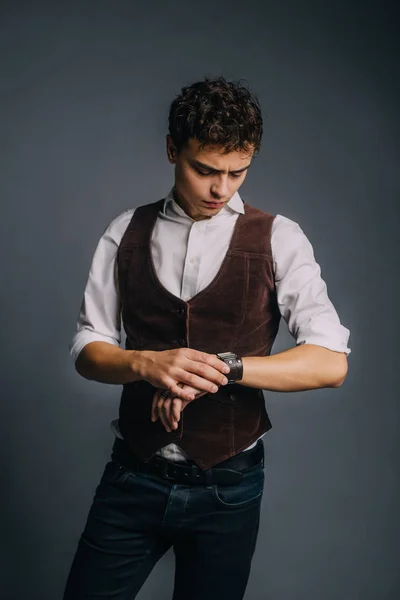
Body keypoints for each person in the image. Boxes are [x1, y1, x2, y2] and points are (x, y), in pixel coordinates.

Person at [63, 76, 351, 600]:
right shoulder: (124, 231)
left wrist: (223, 367)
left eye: (237, 173)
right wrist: (147, 364)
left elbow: (331, 362)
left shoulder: (278, 238)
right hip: (133, 477)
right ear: (173, 150)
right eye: (205, 170)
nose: (221, 189)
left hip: (230, 487)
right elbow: (89, 348)